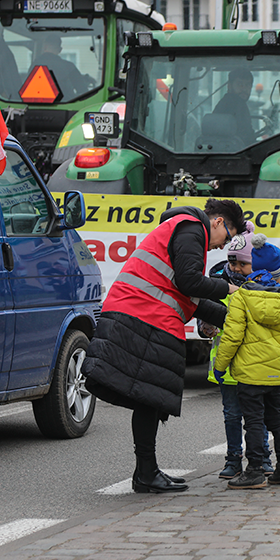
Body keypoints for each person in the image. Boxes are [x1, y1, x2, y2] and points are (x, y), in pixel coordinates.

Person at [82, 198, 246, 494]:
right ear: (219, 222)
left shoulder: (184, 230)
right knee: (149, 398)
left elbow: (187, 298)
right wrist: (228, 288)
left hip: (142, 313)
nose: (223, 247)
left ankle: (147, 471)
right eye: (228, 239)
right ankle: (146, 474)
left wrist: (231, 314)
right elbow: (189, 282)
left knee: (150, 398)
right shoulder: (192, 228)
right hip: (142, 315)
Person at [213, 237, 280, 489]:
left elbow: (232, 337)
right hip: (276, 377)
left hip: (250, 376)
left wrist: (220, 366)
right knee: (276, 421)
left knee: (252, 422)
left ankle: (254, 471)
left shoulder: (242, 298)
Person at [199, 223, 274, 480]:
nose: (234, 268)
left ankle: (262, 457)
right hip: (227, 364)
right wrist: (205, 326)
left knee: (258, 414)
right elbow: (205, 309)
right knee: (232, 413)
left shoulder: (266, 287)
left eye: (241, 263)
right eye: (231, 262)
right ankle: (233, 458)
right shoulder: (219, 280)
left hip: (256, 364)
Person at [32, 35, 93, 99]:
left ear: (44, 47)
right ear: (60, 50)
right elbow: (83, 91)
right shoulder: (69, 67)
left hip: (34, 107)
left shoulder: (34, 66)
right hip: (66, 106)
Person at [213, 68, 255, 144]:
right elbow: (247, 135)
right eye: (240, 84)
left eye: (247, 85)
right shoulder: (236, 103)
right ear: (229, 86)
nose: (244, 89)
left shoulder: (224, 102)